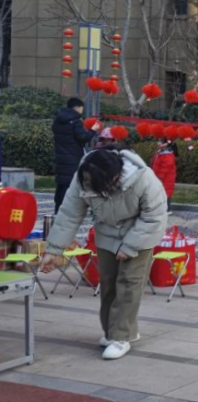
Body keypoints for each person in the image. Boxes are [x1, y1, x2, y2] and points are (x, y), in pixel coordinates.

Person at [39, 147, 168, 360]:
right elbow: (69, 214)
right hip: (106, 234)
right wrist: (53, 250)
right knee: (108, 284)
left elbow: (154, 217)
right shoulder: (84, 176)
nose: (90, 185)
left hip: (140, 235)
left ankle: (121, 337)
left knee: (129, 284)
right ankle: (112, 332)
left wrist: (130, 246)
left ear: (114, 177)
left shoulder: (144, 178)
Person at [52, 97, 96, 212]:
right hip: (73, 158)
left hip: (60, 156)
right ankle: (64, 210)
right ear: (77, 107)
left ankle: (57, 209)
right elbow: (83, 138)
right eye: (82, 108)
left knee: (61, 183)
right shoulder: (76, 121)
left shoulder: (58, 120)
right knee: (69, 184)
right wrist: (93, 130)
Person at [150, 138, 178, 211]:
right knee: (162, 192)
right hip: (162, 177)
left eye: (160, 141)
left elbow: (166, 167)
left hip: (165, 178)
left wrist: (160, 176)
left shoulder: (167, 155)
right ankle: (162, 208)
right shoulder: (161, 153)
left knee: (165, 192)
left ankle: (167, 209)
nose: (158, 143)